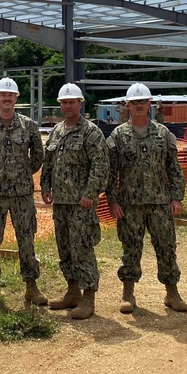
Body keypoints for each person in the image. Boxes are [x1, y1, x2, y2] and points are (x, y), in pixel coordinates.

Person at [106, 82, 187, 314]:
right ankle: (128, 293)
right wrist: (112, 200)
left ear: (149, 103)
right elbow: (111, 173)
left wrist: (176, 197)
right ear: (127, 105)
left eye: (143, 101)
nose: (139, 105)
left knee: (166, 247)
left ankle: (172, 293)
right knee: (130, 248)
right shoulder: (118, 135)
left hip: (160, 203)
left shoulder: (163, 134)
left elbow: (174, 169)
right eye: (134, 102)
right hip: (129, 205)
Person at [0, 77, 48, 306]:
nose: (6, 98)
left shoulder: (28, 126)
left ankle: (31, 287)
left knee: (27, 240)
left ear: (16, 98)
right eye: (2, 95)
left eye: (10, 95)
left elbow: (38, 155)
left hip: (22, 194)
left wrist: (23, 173)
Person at [41, 83, 109, 319]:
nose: (67, 106)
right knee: (65, 248)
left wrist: (90, 194)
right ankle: (72, 291)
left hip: (81, 204)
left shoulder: (91, 132)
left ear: (81, 103)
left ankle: (88, 297)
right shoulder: (57, 131)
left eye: (72, 102)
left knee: (83, 249)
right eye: (64, 102)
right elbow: (48, 162)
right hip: (61, 202)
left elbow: (100, 165)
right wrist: (44, 186)